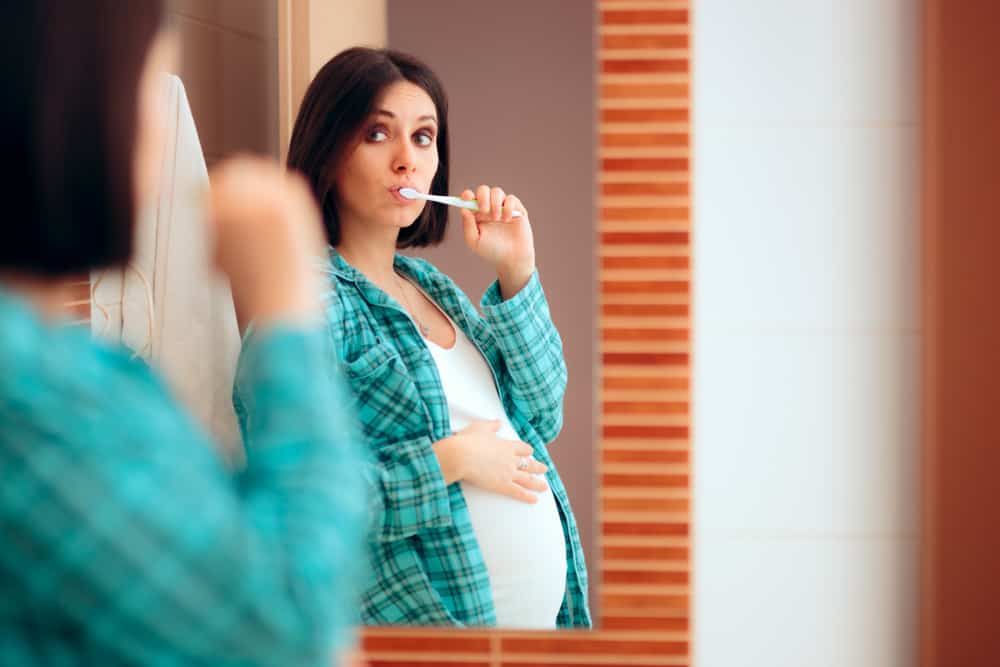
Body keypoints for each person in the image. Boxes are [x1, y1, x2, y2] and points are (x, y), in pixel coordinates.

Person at [0, 2, 367, 664]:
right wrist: (284, 309)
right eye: (148, 81)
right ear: (69, 101)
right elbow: (287, 631)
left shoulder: (61, 376)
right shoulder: (32, 392)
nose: (160, 126)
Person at [277, 46, 591, 628]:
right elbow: (304, 507)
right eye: (377, 133)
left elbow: (543, 413)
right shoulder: (307, 302)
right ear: (327, 153)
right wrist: (453, 459)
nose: (407, 160)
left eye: (423, 137)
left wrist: (516, 271)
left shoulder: (434, 289)